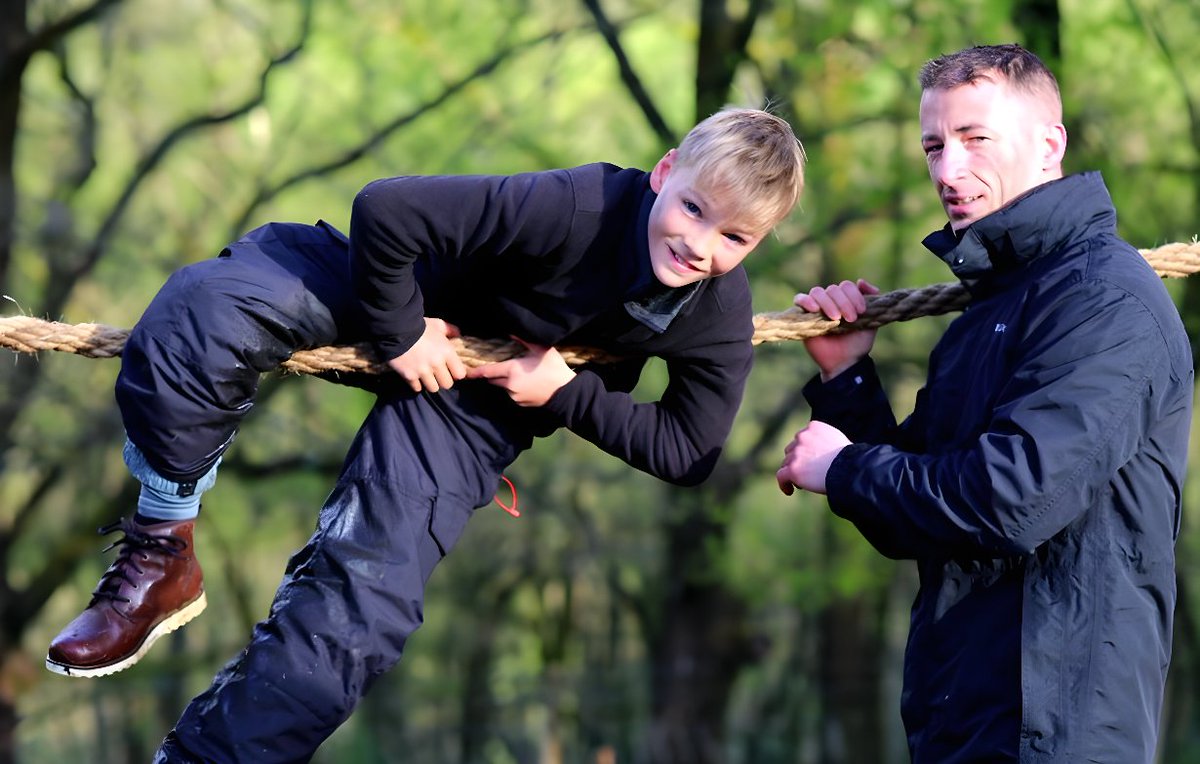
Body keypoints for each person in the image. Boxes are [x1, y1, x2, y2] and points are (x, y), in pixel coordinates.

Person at [45, 107, 806, 760]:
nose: (702, 245)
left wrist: (564, 394)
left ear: (756, 246)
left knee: (360, 610)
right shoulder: (576, 206)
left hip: (474, 402)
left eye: (735, 238)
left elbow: (689, 450)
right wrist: (401, 332)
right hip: (389, 297)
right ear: (665, 171)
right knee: (199, 311)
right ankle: (162, 550)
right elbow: (388, 209)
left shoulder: (714, 313)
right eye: (695, 209)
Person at [776, 44, 1192, 763]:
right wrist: (846, 383)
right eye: (934, 145)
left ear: (1048, 144)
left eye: (975, 139)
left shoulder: (1103, 300)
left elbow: (1012, 499)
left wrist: (843, 470)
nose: (947, 170)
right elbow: (923, 515)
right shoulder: (993, 309)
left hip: (1059, 735)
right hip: (962, 721)